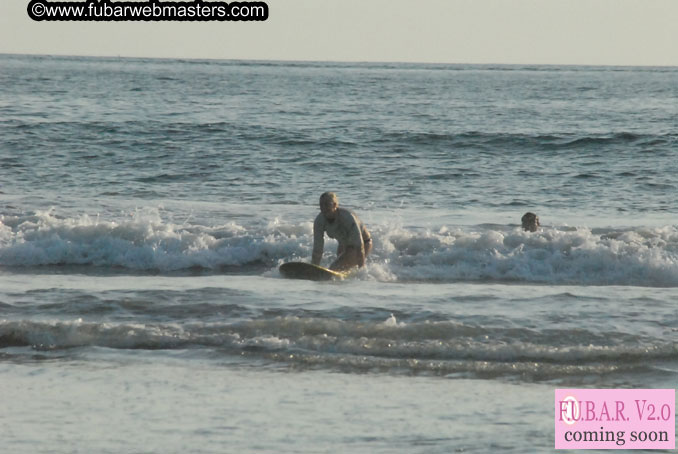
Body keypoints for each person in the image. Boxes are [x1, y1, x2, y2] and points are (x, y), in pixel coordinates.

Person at [312, 192, 372, 271]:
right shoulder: (319, 221)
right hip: (344, 245)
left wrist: (362, 270)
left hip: (364, 244)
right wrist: (313, 270)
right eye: (321, 205)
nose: (323, 208)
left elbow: (359, 245)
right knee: (341, 267)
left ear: (335, 205)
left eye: (327, 204)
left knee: (334, 268)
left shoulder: (347, 217)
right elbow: (317, 249)